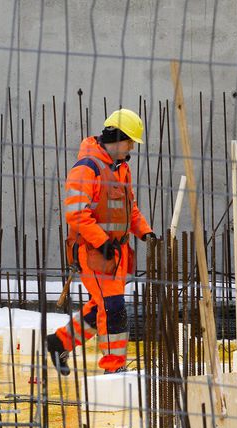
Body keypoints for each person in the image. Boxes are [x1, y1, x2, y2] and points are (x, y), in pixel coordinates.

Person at [46, 108, 156, 375]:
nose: (131, 147)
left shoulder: (121, 169)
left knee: (101, 308)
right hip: (93, 253)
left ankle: (59, 342)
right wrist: (101, 241)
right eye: (130, 141)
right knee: (113, 307)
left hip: (115, 255)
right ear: (117, 138)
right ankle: (113, 367)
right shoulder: (86, 168)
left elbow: (130, 209)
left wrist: (145, 232)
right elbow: (76, 213)